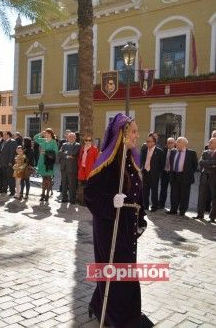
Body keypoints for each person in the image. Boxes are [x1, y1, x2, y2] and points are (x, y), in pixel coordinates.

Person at [84, 113, 152, 327]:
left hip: (128, 226)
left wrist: (141, 218)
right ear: (122, 134)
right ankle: (115, 315)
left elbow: (138, 194)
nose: (137, 135)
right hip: (109, 226)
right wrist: (111, 202)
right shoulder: (107, 162)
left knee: (126, 269)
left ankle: (120, 310)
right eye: (133, 131)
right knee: (113, 268)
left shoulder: (132, 160)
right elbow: (90, 195)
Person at [167, 137, 198, 217]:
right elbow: (171, 163)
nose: (176, 143)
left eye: (178, 142)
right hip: (174, 175)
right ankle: (173, 210)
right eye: (176, 142)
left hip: (185, 176)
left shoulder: (191, 153)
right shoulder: (173, 152)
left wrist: (187, 173)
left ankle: (182, 211)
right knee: (174, 194)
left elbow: (195, 166)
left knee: (184, 194)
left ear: (184, 144)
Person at [140, 133, 163, 212]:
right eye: (147, 141)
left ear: (154, 142)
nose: (147, 143)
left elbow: (161, 164)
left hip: (154, 174)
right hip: (145, 172)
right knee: (145, 190)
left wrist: (157, 173)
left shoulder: (159, 152)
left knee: (154, 191)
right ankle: (145, 205)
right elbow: (142, 161)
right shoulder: (144, 150)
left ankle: (154, 206)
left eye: (149, 141)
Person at [34, 128, 58, 201]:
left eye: (46, 133)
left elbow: (56, 152)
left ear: (50, 134)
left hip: (49, 162)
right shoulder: (43, 140)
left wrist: (46, 152)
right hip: (42, 161)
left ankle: (47, 194)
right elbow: (35, 138)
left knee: (48, 179)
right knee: (43, 179)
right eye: (45, 133)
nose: (45, 134)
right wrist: (41, 133)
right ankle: (43, 194)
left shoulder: (54, 141)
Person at [195, 137, 216, 222]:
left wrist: (206, 163)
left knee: (214, 198)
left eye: (211, 142)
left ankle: (212, 217)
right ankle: (200, 215)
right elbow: (200, 162)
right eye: (209, 142)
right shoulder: (205, 152)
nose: (208, 144)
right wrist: (212, 165)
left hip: (214, 178)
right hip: (204, 177)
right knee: (201, 197)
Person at [58, 132, 80, 204]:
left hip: (72, 168)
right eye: (69, 137)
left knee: (72, 184)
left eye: (72, 137)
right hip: (63, 167)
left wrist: (65, 152)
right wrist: (67, 155)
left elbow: (74, 153)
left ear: (75, 138)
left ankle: (72, 199)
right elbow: (60, 153)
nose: (70, 138)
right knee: (64, 184)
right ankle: (64, 198)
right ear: (67, 138)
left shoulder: (77, 145)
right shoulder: (64, 144)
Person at [77, 135, 99, 203]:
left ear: (91, 141)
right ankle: (82, 200)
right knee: (82, 185)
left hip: (90, 170)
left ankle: (88, 201)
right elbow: (79, 159)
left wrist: (94, 171)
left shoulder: (94, 149)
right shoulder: (82, 148)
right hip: (82, 169)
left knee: (88, 186)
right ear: (84, 141)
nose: (88, 142)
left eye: (90, 140)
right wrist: (80, 166)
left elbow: (97, 161)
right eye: (86, 140)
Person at [0, 131, 17, 195]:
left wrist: (10, 162)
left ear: (8, 135)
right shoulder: (4, 142)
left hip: (9, 163)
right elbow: (1, 153)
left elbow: (12, 153)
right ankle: (4, 189)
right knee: (4, 177)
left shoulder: (12, 141)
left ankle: (12, 191)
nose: (3, 136)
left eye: (4, 135)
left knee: (10, 177)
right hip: (3, 162)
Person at [159, 138, 176, 210]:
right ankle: (161, 204)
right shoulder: (164, 150)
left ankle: (173, 207)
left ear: (174, 143)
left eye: (171, 142)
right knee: (163, 189)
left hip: (173, 174)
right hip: (164, 172)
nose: (170, 144)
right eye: (168, 143)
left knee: (174, 191)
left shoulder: (176, 151)